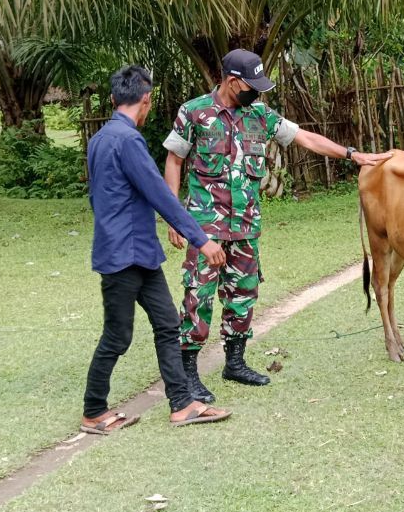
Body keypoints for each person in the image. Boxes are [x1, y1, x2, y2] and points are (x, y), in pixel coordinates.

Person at [163, 49, 390, 397]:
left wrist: (351, 154)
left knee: (244, 294)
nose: (257, 92)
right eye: (251, 85)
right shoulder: (194, 112)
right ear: (232, 81)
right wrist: (175, 219)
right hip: (204, 227)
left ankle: (234, 363)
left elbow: (305, 138)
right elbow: (175, 161)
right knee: (199, 295)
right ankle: (189, 374)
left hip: (245, 226)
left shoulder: (260, 114)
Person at [82, 65, 231, 434]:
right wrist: (202, 239)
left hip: (138, 253)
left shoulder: (100, 138)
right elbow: (161, 194)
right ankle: (94, 411)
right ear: (145, 101)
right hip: (123, 255)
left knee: (168, 324)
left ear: (115, 98)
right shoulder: (127, 141)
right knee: (117, 336)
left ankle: (182, 404)